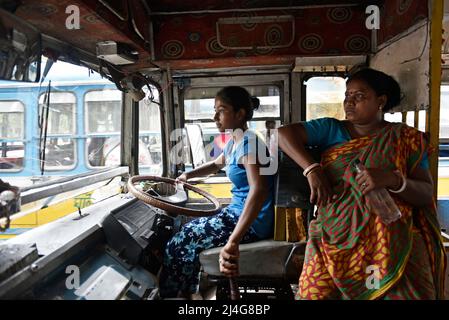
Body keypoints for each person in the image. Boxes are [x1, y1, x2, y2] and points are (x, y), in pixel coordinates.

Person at [278, 68, 446, 300]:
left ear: (381, 101)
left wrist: (394, 180)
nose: (349, 102)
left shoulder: (406, 138)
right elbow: (283, 134)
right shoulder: (331, 129)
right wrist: (312, 169)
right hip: (333, 235)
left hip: (392, 239)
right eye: (347, 96)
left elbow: (425, 194)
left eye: (359, 96)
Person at [159, 86, 275, 298]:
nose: (215, 117)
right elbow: (215, 165)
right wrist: (187, 176)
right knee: (184, 234)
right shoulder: (235, 141)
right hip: (235, 213)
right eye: (215, 110)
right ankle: (187, 293)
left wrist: (233, 241)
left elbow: (258, 191)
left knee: (179, 244)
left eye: (221, 110)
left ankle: (175, 296)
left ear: (240, 114)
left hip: (253, 223)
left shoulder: (250, 144)